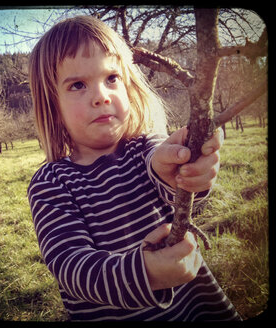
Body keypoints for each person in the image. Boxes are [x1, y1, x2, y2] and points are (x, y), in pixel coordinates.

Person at [27, 15, 241, 321]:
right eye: (77, 85)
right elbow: (70, 266)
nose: (101, 96)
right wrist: (144, 273)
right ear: (53, 105)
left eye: (112, 78)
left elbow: (161, 168)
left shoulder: (146, 148)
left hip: (193, 310)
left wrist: (186, 168)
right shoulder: (51, 183)